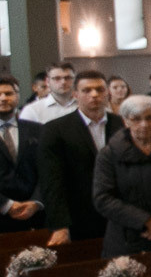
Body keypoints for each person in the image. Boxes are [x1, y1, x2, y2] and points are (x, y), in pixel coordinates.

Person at [91, 94, 151, 258]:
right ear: (125, 121)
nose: (144, 124)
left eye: (150, 118)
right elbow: (103, 198)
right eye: (136, 119)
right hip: (125, 240)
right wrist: (147, 222)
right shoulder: (109, 154)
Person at [38, 70, 123, 246]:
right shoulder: (56, 130)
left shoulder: (122, 124)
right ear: (75, 94)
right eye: (86, 90)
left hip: (119, 214)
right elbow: (52, 181)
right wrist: (60, 225)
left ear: (107, 93)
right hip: (79, 216)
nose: (94, 95)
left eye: (100, 90)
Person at [0, 75, 46, 232]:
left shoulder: (38, 129)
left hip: (36, 214)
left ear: (18, 96)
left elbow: (47, 170)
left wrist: (37, 201)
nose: (3, 98)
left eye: (9, 93)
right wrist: (6, 205)